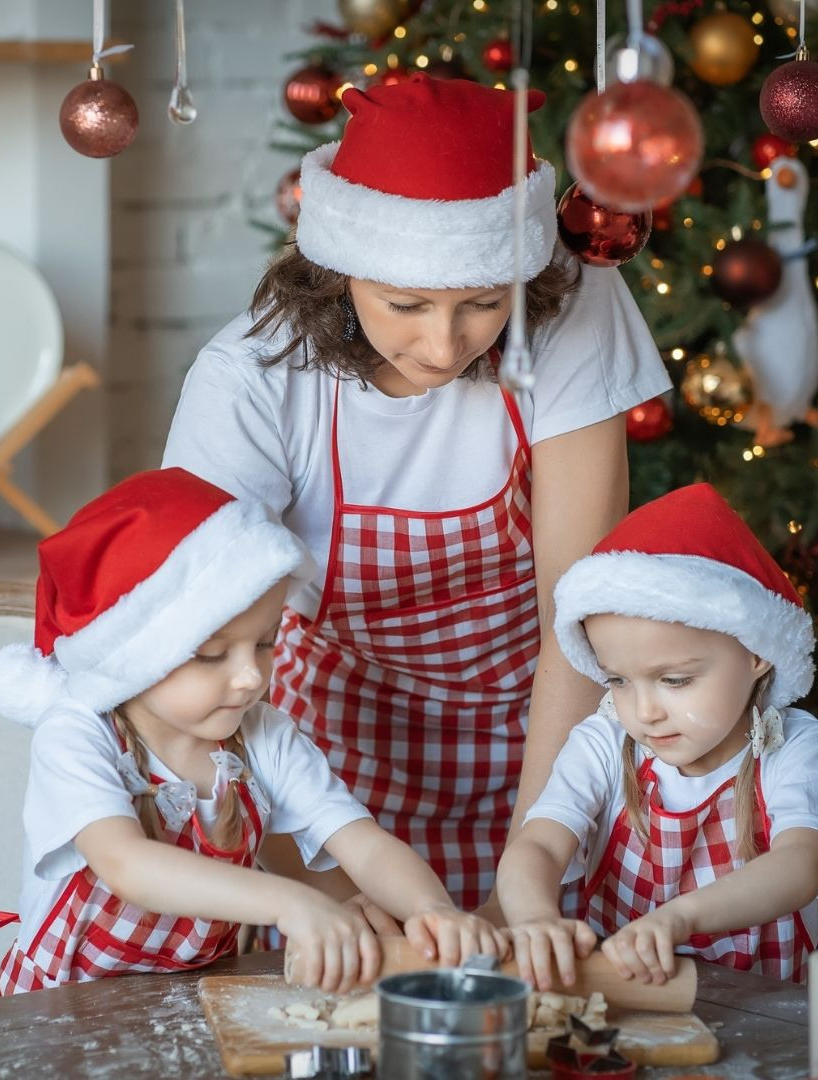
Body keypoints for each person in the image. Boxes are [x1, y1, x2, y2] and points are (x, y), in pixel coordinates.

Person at [162, 74, 672, 913]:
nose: (444, 345)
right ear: (338, 270)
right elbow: (205, 657)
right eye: (405, 304)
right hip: (327, 768)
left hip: (552, 740)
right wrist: (327, 896)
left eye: (484, 302)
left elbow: (579, 611)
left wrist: (529, 870)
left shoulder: (574, 304)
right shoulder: (247, 380)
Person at [0, 468, 504, 996]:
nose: (251, 676)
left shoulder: (263, 738)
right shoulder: (77, 735)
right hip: (59, 1013)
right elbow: (126, 864)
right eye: (212, 654)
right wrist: (288, 902)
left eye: (266, 643)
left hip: (196, 1003)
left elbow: (363, 844)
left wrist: (431, 910)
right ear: (133, 658)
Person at [496, 483, 818, 987]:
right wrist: (533, 917)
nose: (644, 713)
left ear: (756, 652)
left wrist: (680, 919)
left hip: (768, 1011)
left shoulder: (795, 749)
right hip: (630, 1007)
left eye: (675, 680)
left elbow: (801, 863)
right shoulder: (603, 745)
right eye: (618, 681)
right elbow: (539, 846)